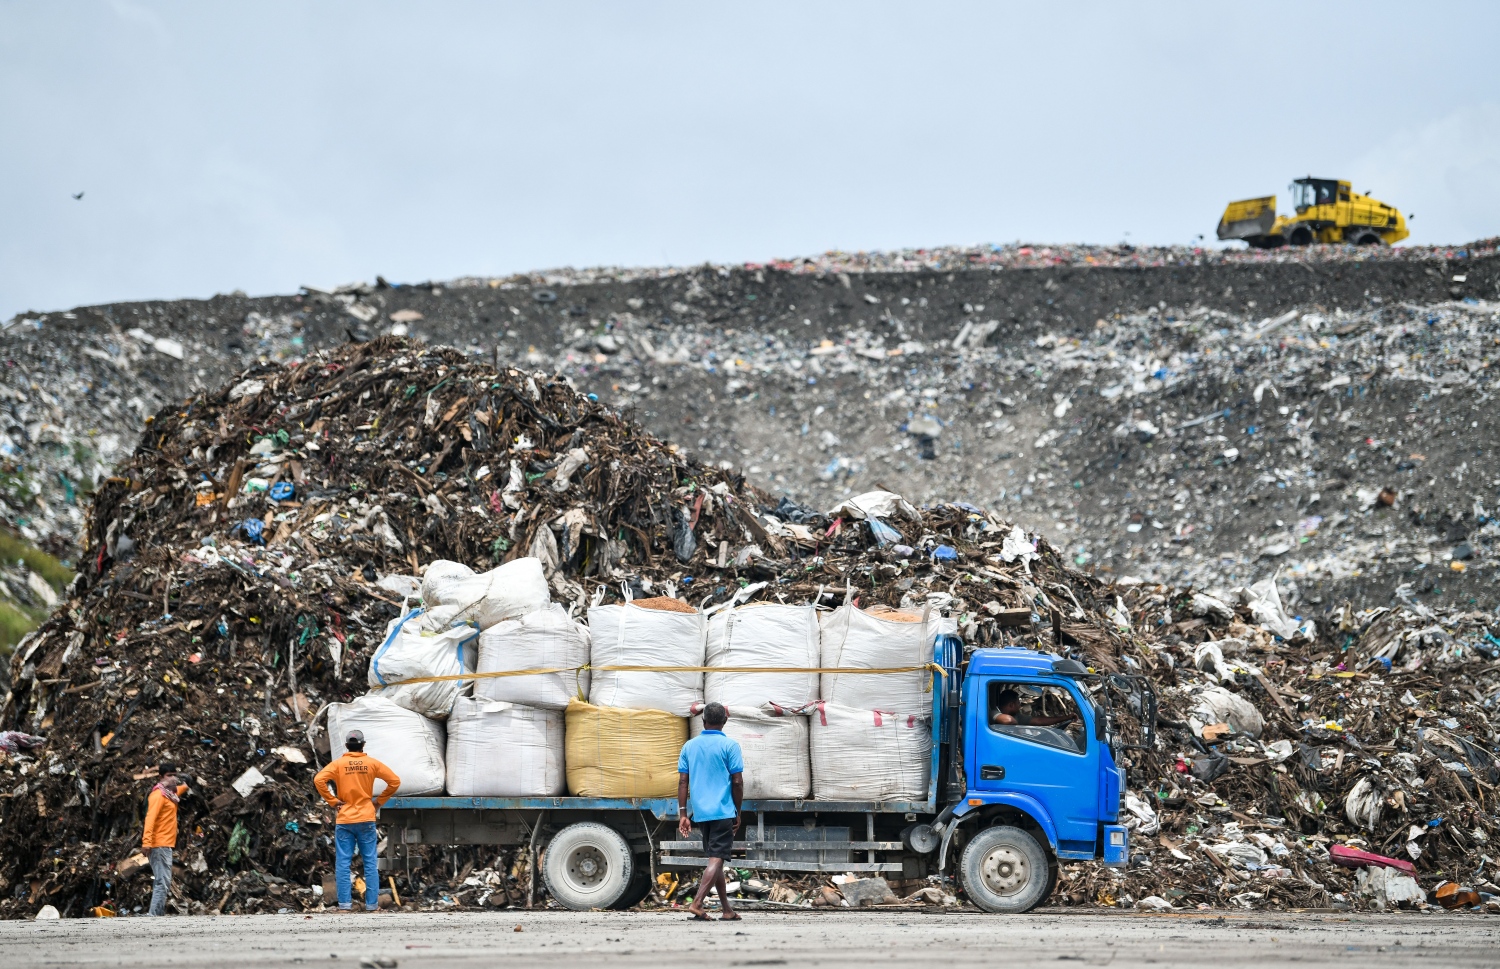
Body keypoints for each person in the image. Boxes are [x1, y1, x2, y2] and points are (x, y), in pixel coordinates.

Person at [313, 729, 400, 912]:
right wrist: (378, 801)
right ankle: (372, 905)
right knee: (370, 862)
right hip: (366, 818)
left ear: (346, 746)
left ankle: (344, 906)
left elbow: (319, 779)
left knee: (343, 863)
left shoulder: (339, 764)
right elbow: (394, 781)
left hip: (345, 819)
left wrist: (333, 801)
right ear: (363, 745)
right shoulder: (371, 763)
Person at [677, 702, 744, 921]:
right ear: (724, 722)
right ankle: (697, 904)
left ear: (703, 720)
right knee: (716, 859)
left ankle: (727, 910)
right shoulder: (730, 746)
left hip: (702, 814)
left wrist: (683, 814)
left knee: (717, 861)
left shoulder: (689, 746)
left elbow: (683, 782)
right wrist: (738, 811)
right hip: (723, 811)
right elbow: (737, 781)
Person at [141, 761, 189, 917]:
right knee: (162, 881)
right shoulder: (157, 795)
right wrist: (146, 843)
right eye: (169, 776)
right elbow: (150, 819)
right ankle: (153, 915)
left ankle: (156, 914)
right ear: (161, 777)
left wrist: (187, 785)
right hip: (158, 844)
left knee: (163, 881)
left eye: (175, 775)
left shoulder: (170, 794)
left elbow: (178, 790)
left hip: (165, 844)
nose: (172, 779)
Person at [991, 688, 1076, 727]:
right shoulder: (993, 712)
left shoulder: (1016, 715)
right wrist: (1018, 730)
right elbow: (1009, 721)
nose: (1020, 706)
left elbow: (1039, 721)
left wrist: (1066, 718)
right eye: (1018, 703)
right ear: (1011, 705)